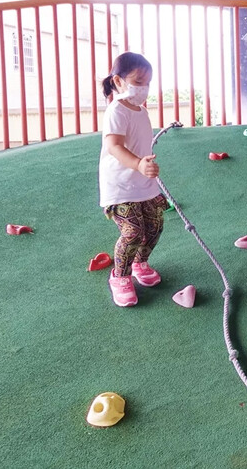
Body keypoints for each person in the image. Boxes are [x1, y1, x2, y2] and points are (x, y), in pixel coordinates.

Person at [99, 52, 168, 307]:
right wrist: (138, 164)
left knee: (154, 225)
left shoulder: (140, 110)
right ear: (118, 81)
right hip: (119, 185)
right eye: (138, 81)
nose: (144, 88)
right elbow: (115, 146)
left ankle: (140, 263)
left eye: (147, 82)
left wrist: (145, 166)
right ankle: (120, 276)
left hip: (143, 184)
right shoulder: (116, 110)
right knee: (133, 231)